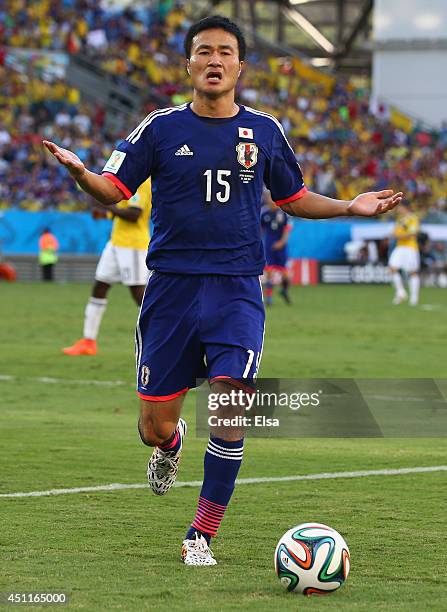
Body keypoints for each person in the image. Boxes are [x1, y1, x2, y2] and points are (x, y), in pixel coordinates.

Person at [43, 15, 402, 566]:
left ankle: (200, 535)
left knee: (232, 406)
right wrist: (79, 174)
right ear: (188, 64)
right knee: (154, 424)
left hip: (237, 289)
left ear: (240, 66)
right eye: (204, 51)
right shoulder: (158, 129)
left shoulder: (264, 132)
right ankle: (171, 444)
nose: (215, 60)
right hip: (170, 293)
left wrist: (347, 205)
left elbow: (294, 197)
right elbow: (113, 189)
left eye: (225, 52)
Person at [63, 179, 151, 355]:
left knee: (139, 295)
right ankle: (88, 341)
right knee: (100, 286)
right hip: (116, 243)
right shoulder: (133, 180)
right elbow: (122, 210)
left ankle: (165, 332)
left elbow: (134, 214)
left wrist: (105, 205)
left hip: (132, 246)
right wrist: (103, 213)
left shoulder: (142, 182)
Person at [260, 189, 292, 305]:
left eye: (272, 199)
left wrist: (282, 242)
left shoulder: (283, 214)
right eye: (268, 199)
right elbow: (259, 229)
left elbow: (287, 230)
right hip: (268, 246)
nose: (270, 201)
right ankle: (268, 298)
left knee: (286, 275)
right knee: (269, 271)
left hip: (281, 247)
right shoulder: (264, 213)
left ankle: (284, 290)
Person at [388, 200, 420, 305]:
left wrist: (398, 236)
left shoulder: (413, 218)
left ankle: (414, 298)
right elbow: (394, 232)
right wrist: (394, 235)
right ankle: (401, 292)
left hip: (410, 248)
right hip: (400, 247)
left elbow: (413, 234)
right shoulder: (400, 219)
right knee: (392, 267)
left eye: (400, 207)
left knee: (412, 272)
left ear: (406, 207)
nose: (398, 209)